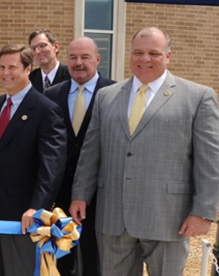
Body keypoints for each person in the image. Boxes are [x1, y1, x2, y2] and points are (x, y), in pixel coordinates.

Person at [70, 27, 219, 276]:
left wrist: (203, 211)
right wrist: (80, 195)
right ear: (130, 55)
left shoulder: (198, 97)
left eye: (154, 53)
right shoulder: (106, 97)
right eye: (138, 52)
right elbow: (91, 153)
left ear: (168, 56)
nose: (144, 59)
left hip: (169, 218)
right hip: (113, 217)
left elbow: (209, 160)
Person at [0, 43, 66, 276]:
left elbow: (52, 166)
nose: (5, 73)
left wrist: (36, 207)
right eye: (1, 67)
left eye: (12, 67)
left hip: (23, 217)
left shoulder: (46, 109)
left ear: (28, 69)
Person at [42, 36, 115, 276]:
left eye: (85, 57)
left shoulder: (115, 94)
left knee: (96, 257)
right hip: (60, 192)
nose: (78, 62)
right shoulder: (51, 95)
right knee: (63, 257)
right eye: (73, 57)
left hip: (102, 192)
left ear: (97, 59)